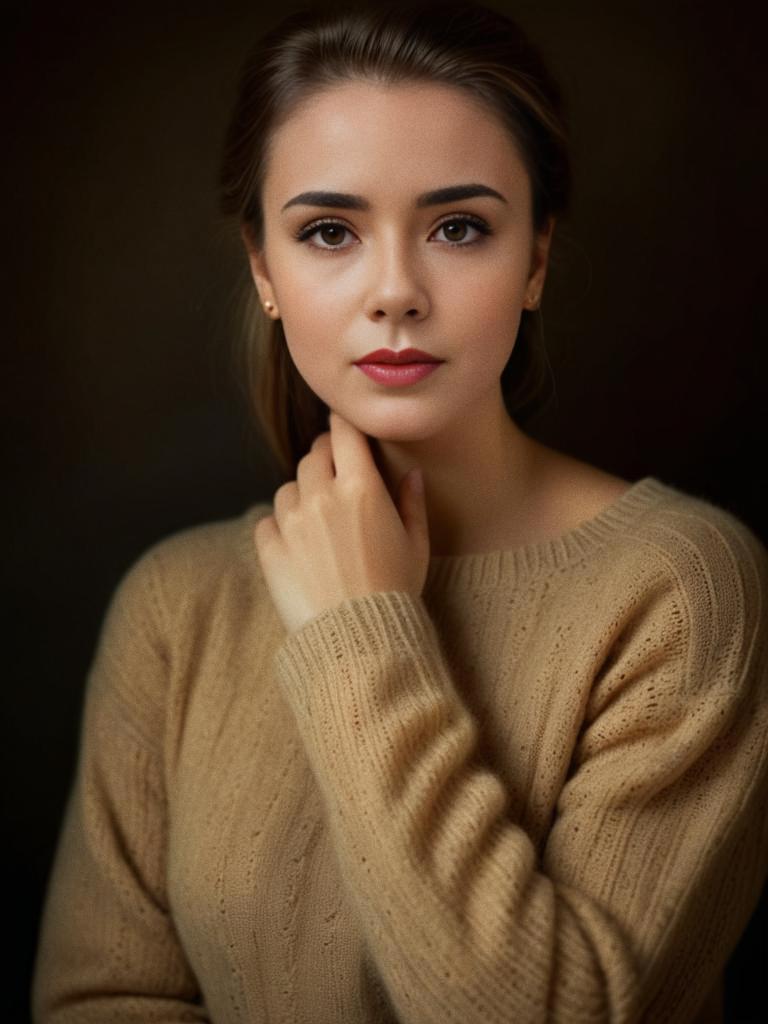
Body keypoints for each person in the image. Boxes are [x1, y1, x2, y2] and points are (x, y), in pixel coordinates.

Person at [31, 1, 768, 1021]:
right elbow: (101, 997)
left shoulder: (679, 588)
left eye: (458, 227)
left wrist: (357, 637)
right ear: (263, 270)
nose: (394, 291)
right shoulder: (176, 604)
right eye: (329, 231)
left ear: (537, 259)